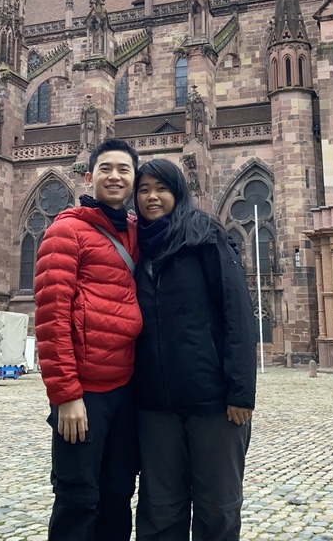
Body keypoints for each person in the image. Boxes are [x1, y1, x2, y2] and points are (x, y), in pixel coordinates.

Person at [132, 158, 257, 541]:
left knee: (217, 507)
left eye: (161, 189)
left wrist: (241, 392)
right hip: (156, 405)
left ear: (178, 193)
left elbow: (237, 311)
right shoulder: (137, 247)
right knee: (159, 509)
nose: (152, 197)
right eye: (144, 190)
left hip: (213, 403)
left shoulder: (204, 235)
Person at [34, 138, 144, 541]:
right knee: (77, 499)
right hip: (84, 393)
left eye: (124, 170)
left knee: (118, 494)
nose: (115, 177)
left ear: (133, 179)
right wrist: (66, 395)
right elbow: (51, 317)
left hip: (126, 389)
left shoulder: (136, 233)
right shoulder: (66, 231)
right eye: (105, 169)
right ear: (88, 177)